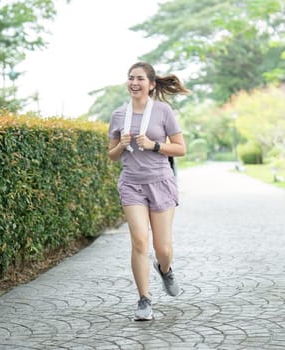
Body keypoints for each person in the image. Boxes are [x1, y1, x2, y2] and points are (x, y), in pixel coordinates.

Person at [107, 62, 188, 321]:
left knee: (162, 248)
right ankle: (144, 300)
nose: (134, 82)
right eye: (130, 78)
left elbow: (180, 148)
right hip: (131, 184)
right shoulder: (119, 115)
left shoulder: (163, 111)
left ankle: (165, 269)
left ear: (151, 84)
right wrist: (121, 144)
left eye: (140, 78)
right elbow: (111, 156)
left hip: (161, 182)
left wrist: (154, 145)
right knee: (140, 241)